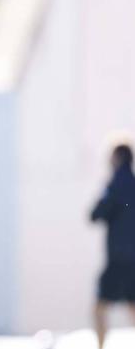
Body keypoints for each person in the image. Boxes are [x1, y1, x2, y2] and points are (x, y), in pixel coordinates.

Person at [90, 143, 135, 349]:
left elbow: (95, 214)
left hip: (117, 260)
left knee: (99, 308)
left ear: (117, 158)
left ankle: (100, 346)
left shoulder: (114, 185)